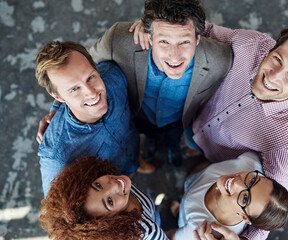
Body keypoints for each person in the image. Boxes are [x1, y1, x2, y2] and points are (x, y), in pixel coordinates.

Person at [130, 17, 288, 239]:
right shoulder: (252, 44)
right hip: (195, 121)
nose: (274, 76)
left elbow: (271, 205)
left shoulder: (287, 138)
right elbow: (206, 29)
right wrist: (159, 25)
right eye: (277, 59)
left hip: (222, 164)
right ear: (271, 48)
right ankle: (193, 151)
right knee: (191, 144)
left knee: (200, 167)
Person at [88, 0, 232, 168]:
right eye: (164, 41)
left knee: (173, 139)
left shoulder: (221, 59)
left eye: (184, 42)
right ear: (149, 36)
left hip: (178, 120)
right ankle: (151, 145)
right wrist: (56, 107)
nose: (174, 56)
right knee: (148, 135)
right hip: (140, 115)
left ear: (198, 39)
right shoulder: (118, 40)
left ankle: (173, 149)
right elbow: (84, 69)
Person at [35, 41, 153, 196]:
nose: (91, 93)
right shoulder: (57, 158)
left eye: (90, 77)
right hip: (110, 188)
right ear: (57, 96)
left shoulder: (113, 76)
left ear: (96, 69)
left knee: (135, 160)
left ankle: (137, 163)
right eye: (75, 89)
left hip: (132, 146)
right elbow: (57, 212)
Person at [164, 151, 288, 240]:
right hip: (195, 182)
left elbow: (169, 236)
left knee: (182, 216)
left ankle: (178, 213)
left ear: (245, 218)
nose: (236, 183)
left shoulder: (201, 230)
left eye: (245, 198)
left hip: (187, 218)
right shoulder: (251, 162)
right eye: (253, 181)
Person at [39, 156, 168, 240]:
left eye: (98, 185)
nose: (113, 185)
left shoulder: (119, 185)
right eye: (110, 201)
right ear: (114, 222)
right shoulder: (146, 231)